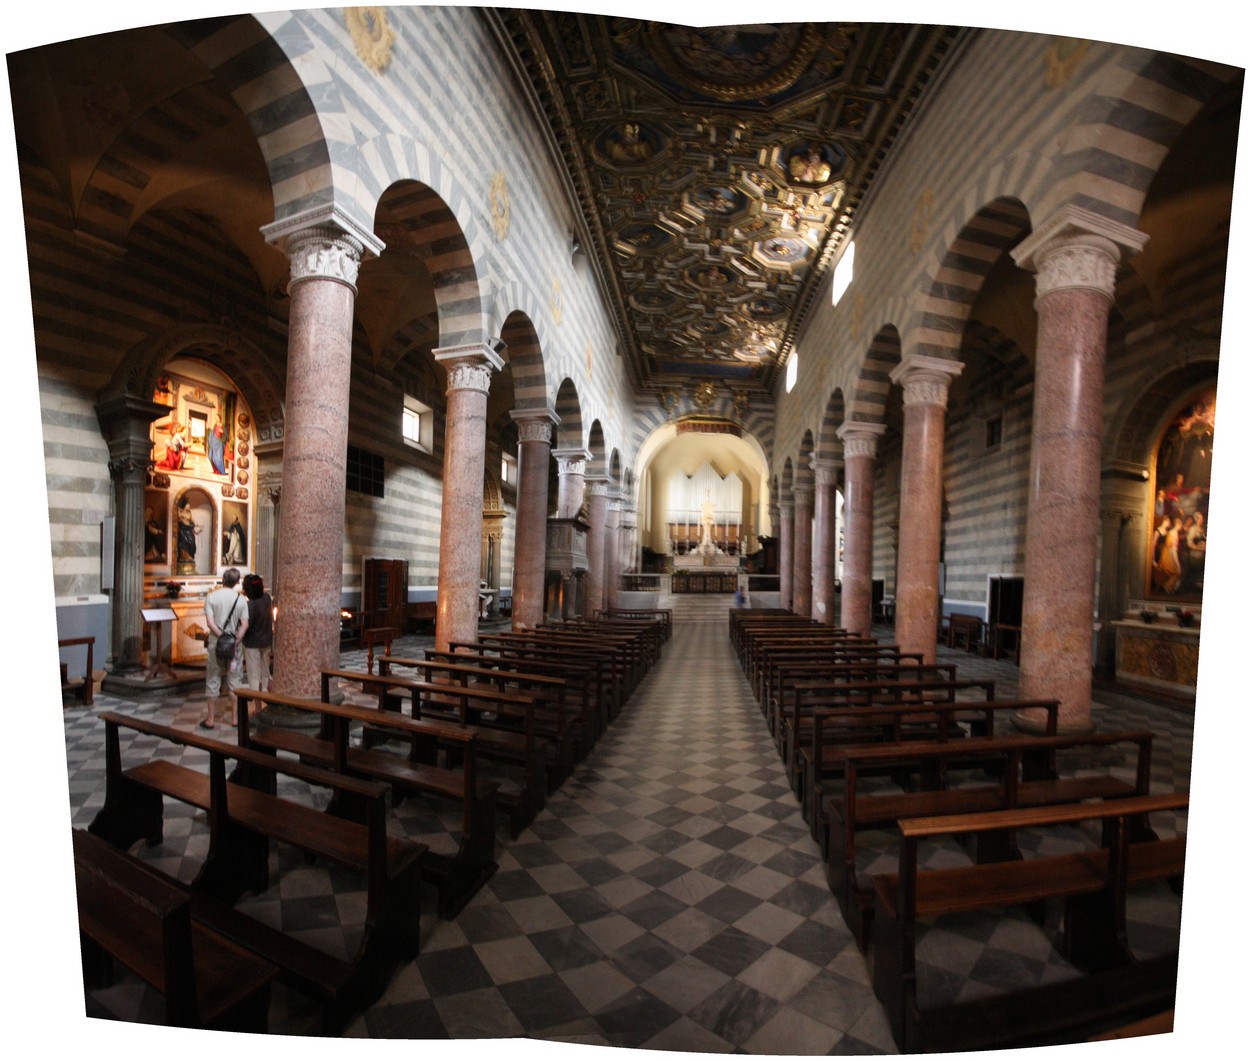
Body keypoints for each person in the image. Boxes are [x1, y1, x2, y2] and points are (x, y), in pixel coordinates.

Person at [202, 567, 247, 728]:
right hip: (234, 645)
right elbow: (244, 624)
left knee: (213, 677)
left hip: (216, 643)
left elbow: (209, 622)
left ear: (223, 580)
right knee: (235, 679)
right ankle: (235, 718)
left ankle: (211, 719)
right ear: (236, 582)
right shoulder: (241, 599)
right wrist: (235, 640)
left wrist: (221, 636)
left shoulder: (212, 597)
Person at [241, 573, 273, 708]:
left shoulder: (250, 605)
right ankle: (272, 703)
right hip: (266, 641)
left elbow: (247, 626)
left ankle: (258, 708)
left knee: (254, 675)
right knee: (266, 673)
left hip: (253, 644)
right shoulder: (267, 598)